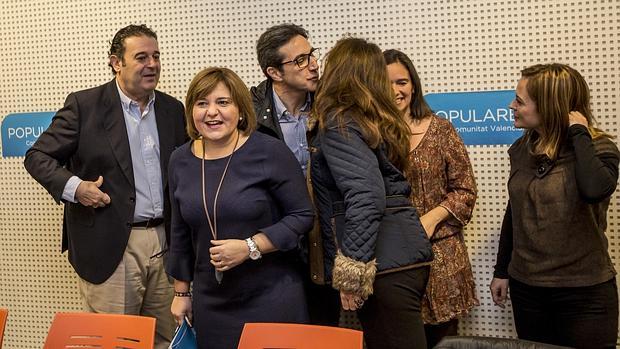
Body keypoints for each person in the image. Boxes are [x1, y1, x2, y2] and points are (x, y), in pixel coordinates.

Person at [23, 24, 187, 348]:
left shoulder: (173, 109)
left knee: (167, 340)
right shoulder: (85, 106)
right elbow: (37, 155)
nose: (152, 64)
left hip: (165, 244)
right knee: (115, 342)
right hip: (111, 245)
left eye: (156, 56)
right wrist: (75, 188)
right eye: (141, 57)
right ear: (116, 62)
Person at [166, 67, 314, 349]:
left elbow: (302, 216)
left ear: (241, 110)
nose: (212, 112)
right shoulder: (179, 160)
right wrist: (181, 293)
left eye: (223, 102)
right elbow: (180, 232)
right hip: (212, 302)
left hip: (271, 296)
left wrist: (250, 246)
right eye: (202, 103)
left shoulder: (270, 152)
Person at [310, 37, 433, 349]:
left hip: (385, 267)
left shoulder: (340, 121)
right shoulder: (376, 121)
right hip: (401, 260)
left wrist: (353, 275)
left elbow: (366, 196)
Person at [490, 63, 619, 349]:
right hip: (528, 290)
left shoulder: (598, 150)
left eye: (520, 101)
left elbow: (594, 189)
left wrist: (579, 133)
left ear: (549, 106)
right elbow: (516, 211)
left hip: (584, 293)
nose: (512, 106)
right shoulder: (522, 149)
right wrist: (502, 270)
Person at [384, 49, 479, 348]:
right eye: (386, 83)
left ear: (413, 84)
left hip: (441, 261)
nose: (396, 90)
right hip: (391, 262)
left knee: (442, 343)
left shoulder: (440, 129)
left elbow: (465, 190)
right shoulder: (370, 136)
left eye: (402, 81)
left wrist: (432, 217)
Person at [251, 23, 341, 326]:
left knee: (323, 332)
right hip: (273, 245)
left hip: (325, 241)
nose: (313, 65)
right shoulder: (247, 115)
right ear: (274, 72)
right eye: (300, 60)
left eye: (311, 55)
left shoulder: (332, 107)